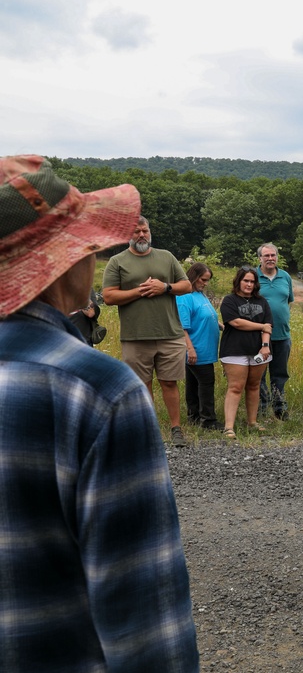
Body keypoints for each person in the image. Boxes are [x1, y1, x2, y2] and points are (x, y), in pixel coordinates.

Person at [0, 154, 198, 669]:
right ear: (68, 259)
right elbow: (143, 614)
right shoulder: (96, 392)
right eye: (88, 243)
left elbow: (185, 286)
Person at [102, 215, 193, 447]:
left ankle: (176, 429)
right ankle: (149, 430)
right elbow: (109, 296)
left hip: (170, 333)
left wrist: (165, 287)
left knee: (169, 383)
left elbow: (186, 286)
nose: (141, 235)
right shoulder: (117, 261)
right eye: (136, 232)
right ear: (128, 236)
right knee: (143, 385)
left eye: (144, 231)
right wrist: (139, 291)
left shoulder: (166, 257)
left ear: (150, 232)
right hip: (135, 336)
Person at [219, 267, 273, 439]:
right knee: (235, 387)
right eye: (246, 281)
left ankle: (252, 422)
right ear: (239, 281)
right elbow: (236, 322)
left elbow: (268, 325)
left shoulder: (263, 302)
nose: (249, 284)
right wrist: (261, 326)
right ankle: (229, 427)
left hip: (259, 350)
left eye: (252, 281)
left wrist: (265, 345)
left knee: (254, 385)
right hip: (234, 350)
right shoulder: (229, 300)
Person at [177, 261, 222, 431]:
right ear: (194, 277)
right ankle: (208, 420)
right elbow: (182, 327)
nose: (205, 283)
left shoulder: (200, 295)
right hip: (197, 349)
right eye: (203, 279)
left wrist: (222, 326)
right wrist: (190, 349)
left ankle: (194, 416)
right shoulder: (184, 297)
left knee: (193, 383)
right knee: (206, 382)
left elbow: (207, 316)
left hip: (205, 348)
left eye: (207, 280)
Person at [256, 242, 294, 420]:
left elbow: (288, 302)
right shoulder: (253, 277)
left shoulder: (285, 277)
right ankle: (261, 410)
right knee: (259, 374)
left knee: (280, 374)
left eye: (273, 255)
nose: (270, 259)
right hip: (258, 336)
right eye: (266, 256)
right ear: (260, 258)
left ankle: (279, 409)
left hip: (282, 335)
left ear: (277, 257)